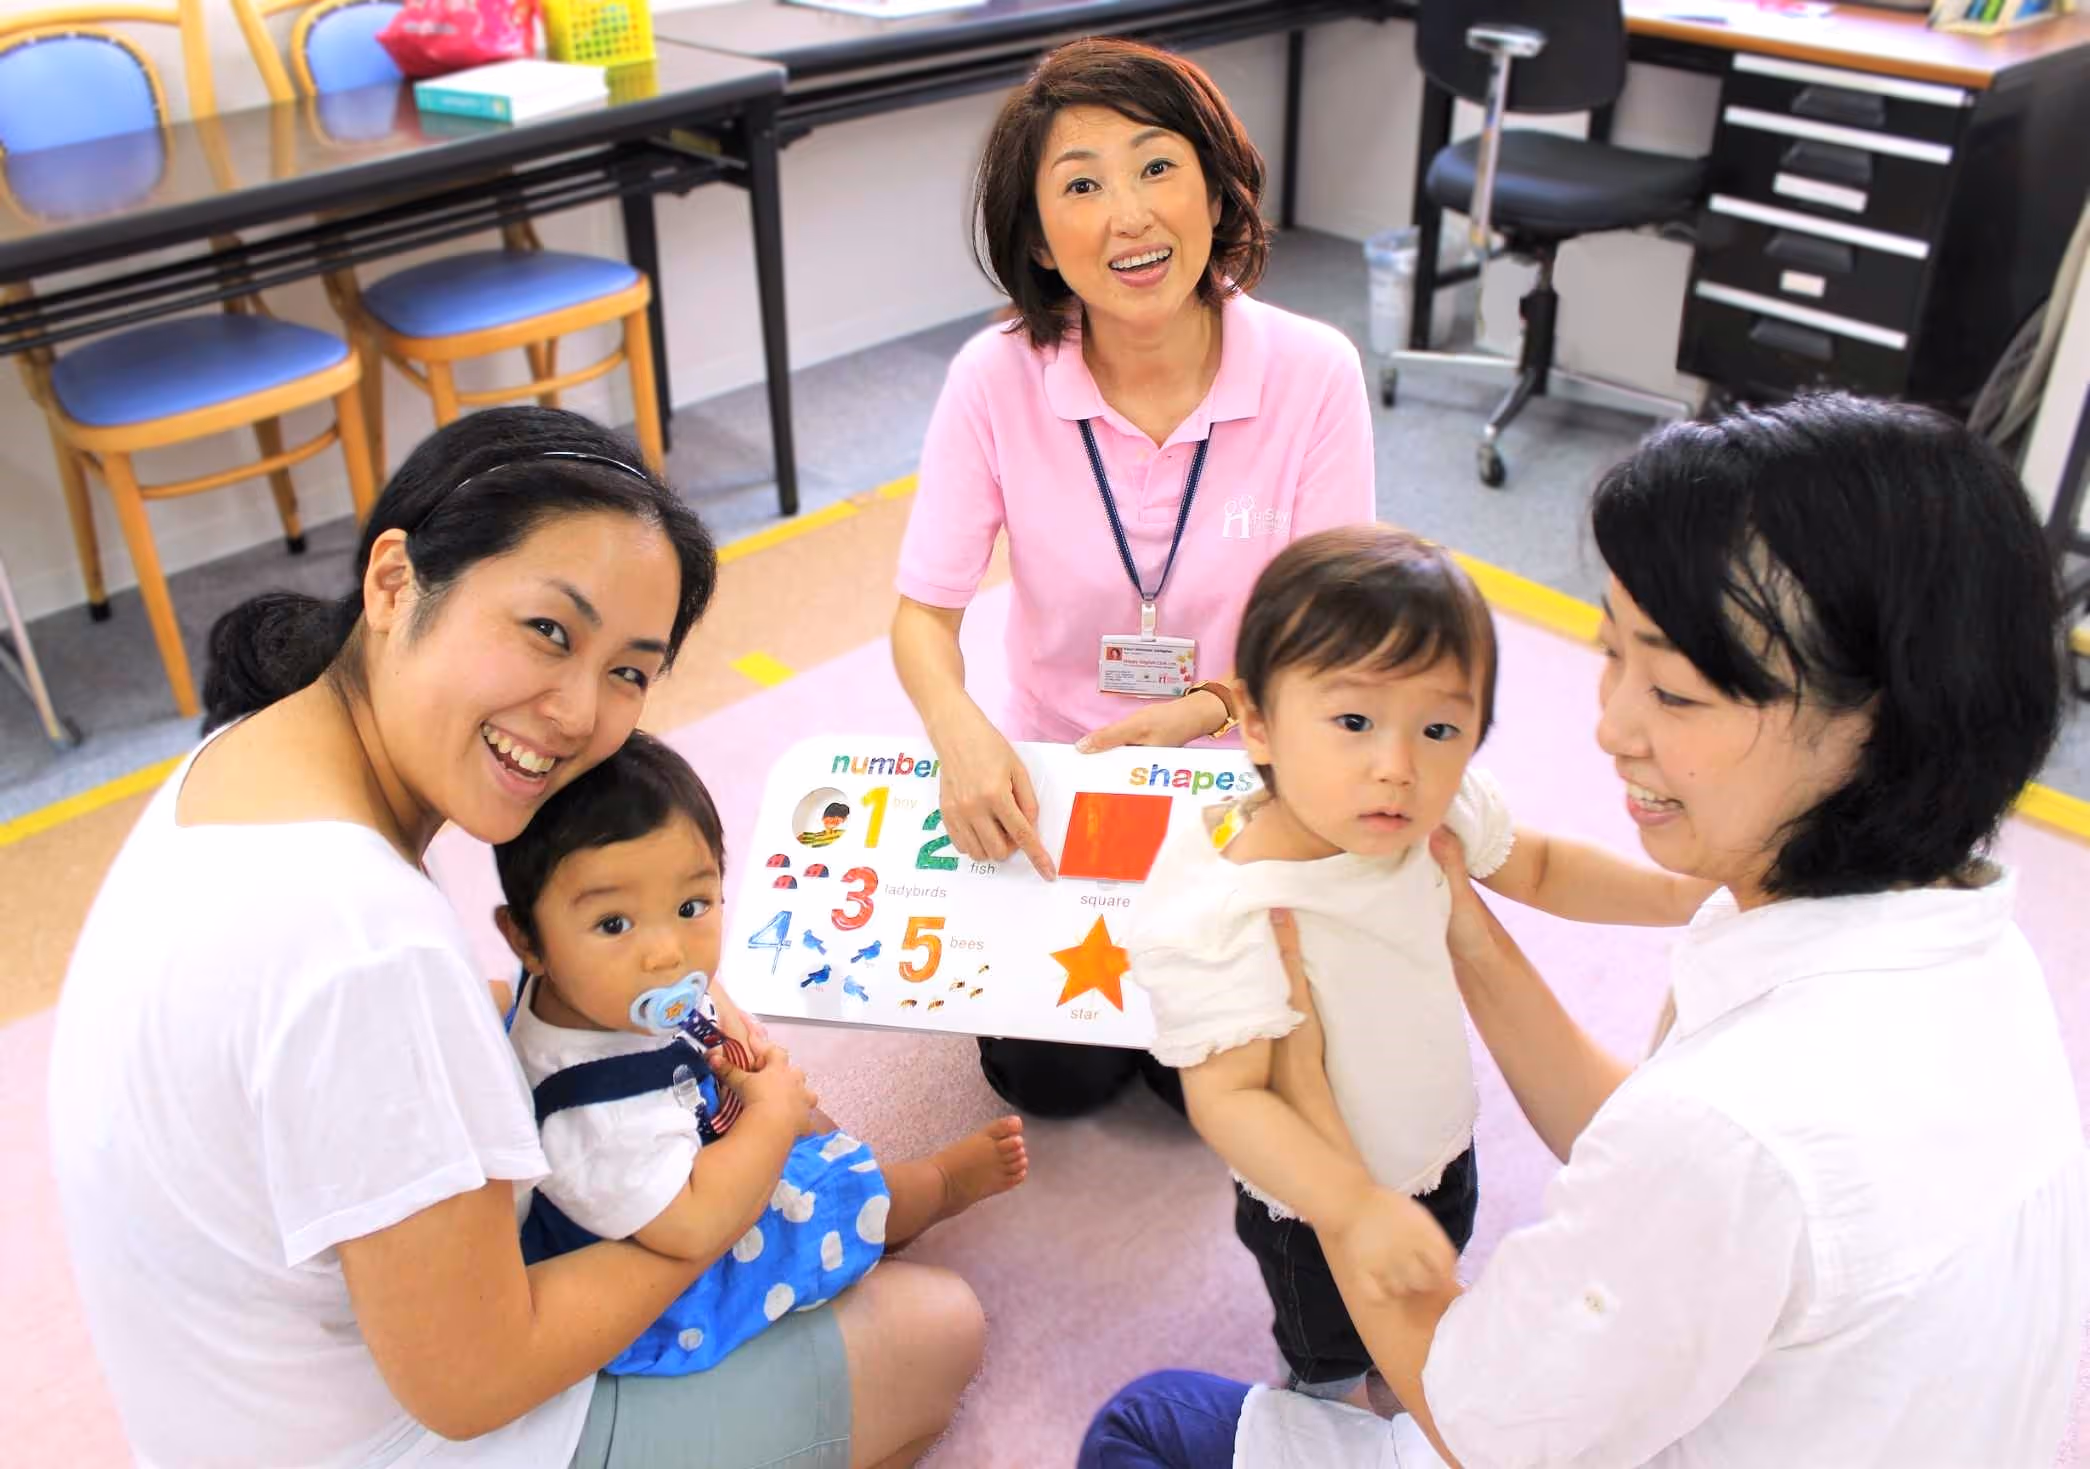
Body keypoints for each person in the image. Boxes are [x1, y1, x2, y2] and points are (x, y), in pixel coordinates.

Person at [1079, 393, 2090, 1468]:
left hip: (1464, 1325)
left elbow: (1481, 1422)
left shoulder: (1733, 1132)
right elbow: (1641, 1141)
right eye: (1608, 655)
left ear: (1876, 717)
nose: (1606, 726)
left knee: (1141, 1426)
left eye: (1673, 690)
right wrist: (1476, 931)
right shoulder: (1968, 940)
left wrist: (1338, 1170)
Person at [47, 407, 986, 1469]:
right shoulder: (371, 946)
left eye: (630, 670)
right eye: (548, 630)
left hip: (231, 1413)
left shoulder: (252, 759)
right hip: (396, 1439)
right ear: (394, 580)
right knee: (934, 1325)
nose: (579, 710)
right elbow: (473, 1379)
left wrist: (624, 993)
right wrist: (728, 1191)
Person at [892, 37, 1376, 1118]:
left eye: (1156, 166)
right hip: (1058, 777)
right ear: (1036, 238)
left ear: (1216, 183)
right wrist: (961, 733)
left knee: (1212, 1071)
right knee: (1050, 1079)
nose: (1128, 216)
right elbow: (923, 613)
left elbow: (1335, 632)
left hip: (1244, 772)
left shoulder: (1312, 372)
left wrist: (1208, 706)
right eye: (1080, 185)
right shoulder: (993, 376)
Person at [1129, 527, 1709, 1410]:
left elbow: (1542, 866)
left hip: (1436, 1139)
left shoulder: (1433, 817)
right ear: (1256, 722)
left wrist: (1677, 896)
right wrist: (1352, 1207)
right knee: (1331, 1350)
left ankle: (1413, 1372)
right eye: (1354, 721)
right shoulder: (1224, 906)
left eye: (1440, 728)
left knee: (1436, 1266)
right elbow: (1230, 1097)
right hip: (1313, 1203)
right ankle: (1325, 1398)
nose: (1397, 768)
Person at [492, 731, 1028, 1377]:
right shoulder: (593, 1120)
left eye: (691, 905)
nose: (667, 954)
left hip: (686, 1143)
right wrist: (770, 1117)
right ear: (526, 937)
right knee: (831, 1193)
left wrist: (727, 1019)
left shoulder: (592, 990)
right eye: (614, 923)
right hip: (678, 1271)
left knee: (813, 1123)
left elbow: (694, 988)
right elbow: (693, 1226)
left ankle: (866, 1197)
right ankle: (933, 1188)